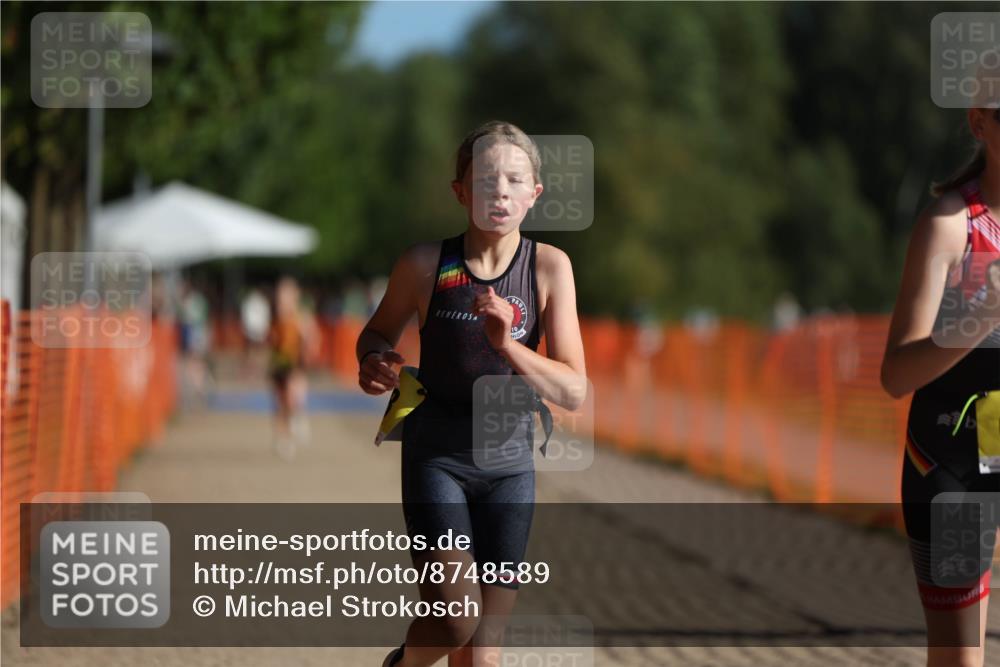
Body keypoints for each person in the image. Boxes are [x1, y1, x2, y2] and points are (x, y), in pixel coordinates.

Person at [357, 121, 587, 667]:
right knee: (457, 618)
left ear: (535, 194)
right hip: (438, 456)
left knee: (483, 654)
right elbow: (376, 333)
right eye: (486, 179)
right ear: (461, 191)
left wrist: (508, 345)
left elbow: (574, 390)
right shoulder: (423, 265)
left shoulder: (550, 267)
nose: (500, 191)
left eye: (514, 179)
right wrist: (373, 362)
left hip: (509, 465)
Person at [881, 101, 1000, 666]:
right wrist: (984, 314)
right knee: (961, 660)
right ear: (980, 122)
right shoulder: (951, 225)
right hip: (951, 459)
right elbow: (896, 373)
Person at [268, 276, 319, 460]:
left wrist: (308, 347)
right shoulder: (275, 317)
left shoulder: (301, 317)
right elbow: (272, 341)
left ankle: (297, 419)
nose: (283, 298)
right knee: (279, 403)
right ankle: (283, 438)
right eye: (281, 294)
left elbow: (312, 338)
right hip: (278, 364)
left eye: (287, 294)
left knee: (292, 398)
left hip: (295, 364)